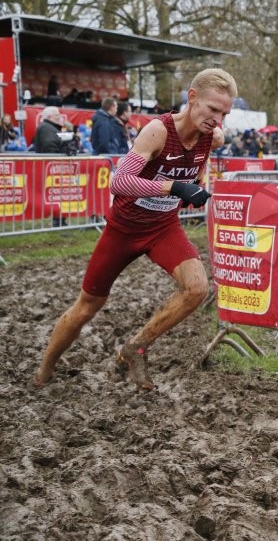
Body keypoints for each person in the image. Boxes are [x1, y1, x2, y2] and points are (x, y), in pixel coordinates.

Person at [33, 68, 235, 390]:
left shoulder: (214, 138)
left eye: (225, 113)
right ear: (192, 98)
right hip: (124, 230)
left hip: (163, 229)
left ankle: (134, 348)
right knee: (87, 306)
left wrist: (195, 188)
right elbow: (120, 181)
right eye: (213, 109)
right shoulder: (157, 130)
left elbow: (196, 169)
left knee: (197, 288)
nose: (218, 120)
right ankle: (45, 368)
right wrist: (175, 188)